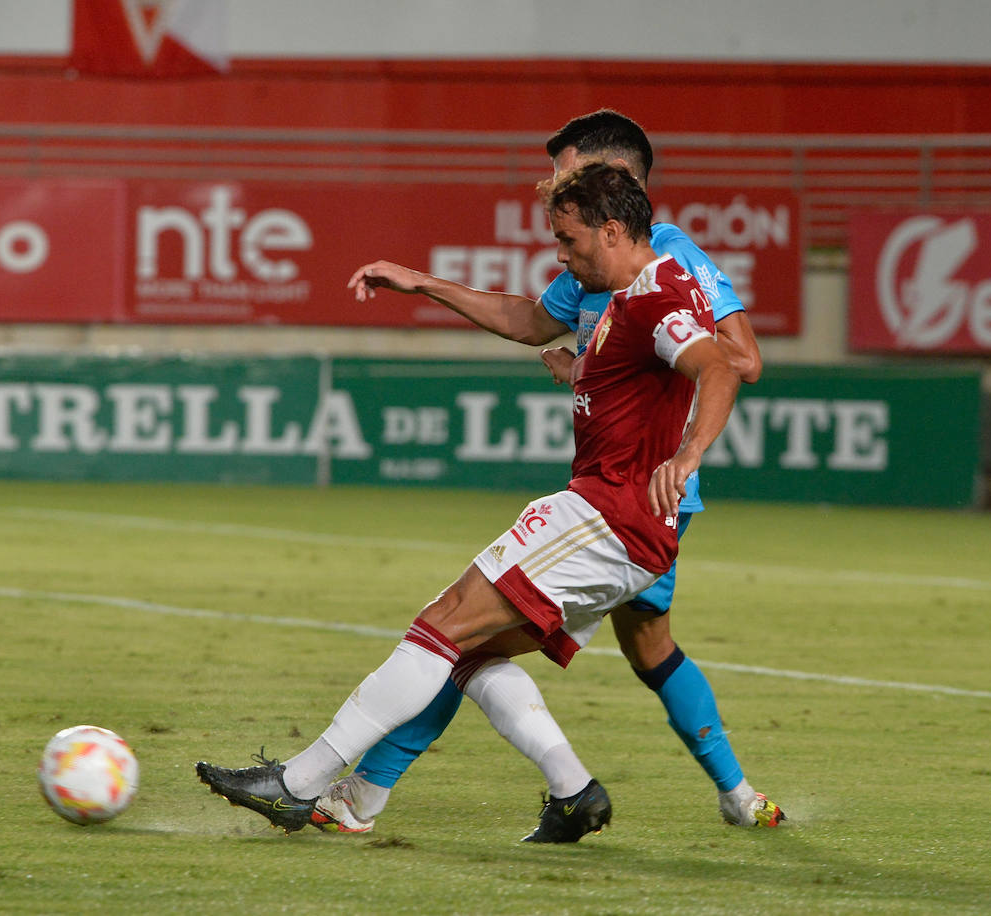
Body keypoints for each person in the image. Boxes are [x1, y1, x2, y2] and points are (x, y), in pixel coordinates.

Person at [197, 162, 741, 843]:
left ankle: (297, 784)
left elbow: (719, 365)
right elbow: (543, 327)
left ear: (610, 229)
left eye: (568, 242)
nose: (561, 256)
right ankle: (570, 792)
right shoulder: (628, 294)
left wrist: (690, 453)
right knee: (469, 648)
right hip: (621, 528)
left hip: (609, 518)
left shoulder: (658, 295)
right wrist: (431, 287)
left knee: (442, 623)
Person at [322, 110, 783, 836]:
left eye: (570, 171)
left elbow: (740, 359)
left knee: (473, 629)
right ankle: (738, 795)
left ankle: (365, 791)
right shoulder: (593, 261)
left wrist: (668, 420)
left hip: (641, 496)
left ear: (615, 181)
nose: (558, 186)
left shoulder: (666, 259)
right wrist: (420, 283)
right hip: (610, 489)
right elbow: (527, 319)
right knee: (647, 645)